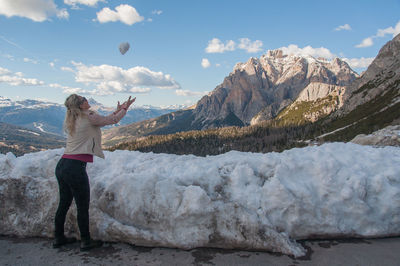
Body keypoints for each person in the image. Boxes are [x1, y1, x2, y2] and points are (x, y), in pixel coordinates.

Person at [53, 94, 135, 251]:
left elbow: (103, 120)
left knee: (63, 204)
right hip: (75, 168)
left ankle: (58, 237)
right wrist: (124, 109)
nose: (87, 100)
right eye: (84, 99)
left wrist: (117, 111)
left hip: (63, 166)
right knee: (82, 206)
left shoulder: (74, 117)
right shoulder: (89, 115)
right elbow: (112, 121)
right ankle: (86, 241)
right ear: (80, 105)